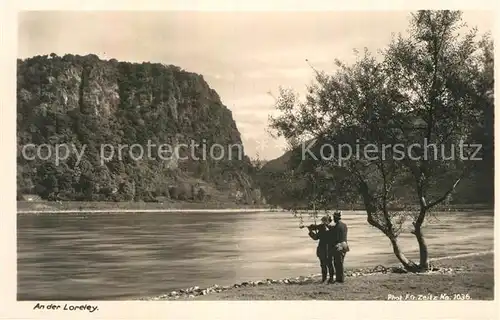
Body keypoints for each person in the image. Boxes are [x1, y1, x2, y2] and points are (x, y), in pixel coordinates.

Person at [305, 215, 335, 284]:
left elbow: (316, 237)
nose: (322, 223)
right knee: (329, 264)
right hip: (330, 248)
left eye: (323, 221)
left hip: (323, 249)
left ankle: (324, 279)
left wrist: (310, 231)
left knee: (324, 264)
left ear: (326, 222)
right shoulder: (333, 228)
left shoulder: (323, 229)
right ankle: (330, 278)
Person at [331, 211, 349, 283]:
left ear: (336, 218)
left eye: (334, 217)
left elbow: (335, 237)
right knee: (340, 263)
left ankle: (340, 279)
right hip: (345, 245)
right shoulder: (344, 225)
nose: (333, 219)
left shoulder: (337, 226)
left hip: (339, 246)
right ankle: (340, 278)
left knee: (338, 263)